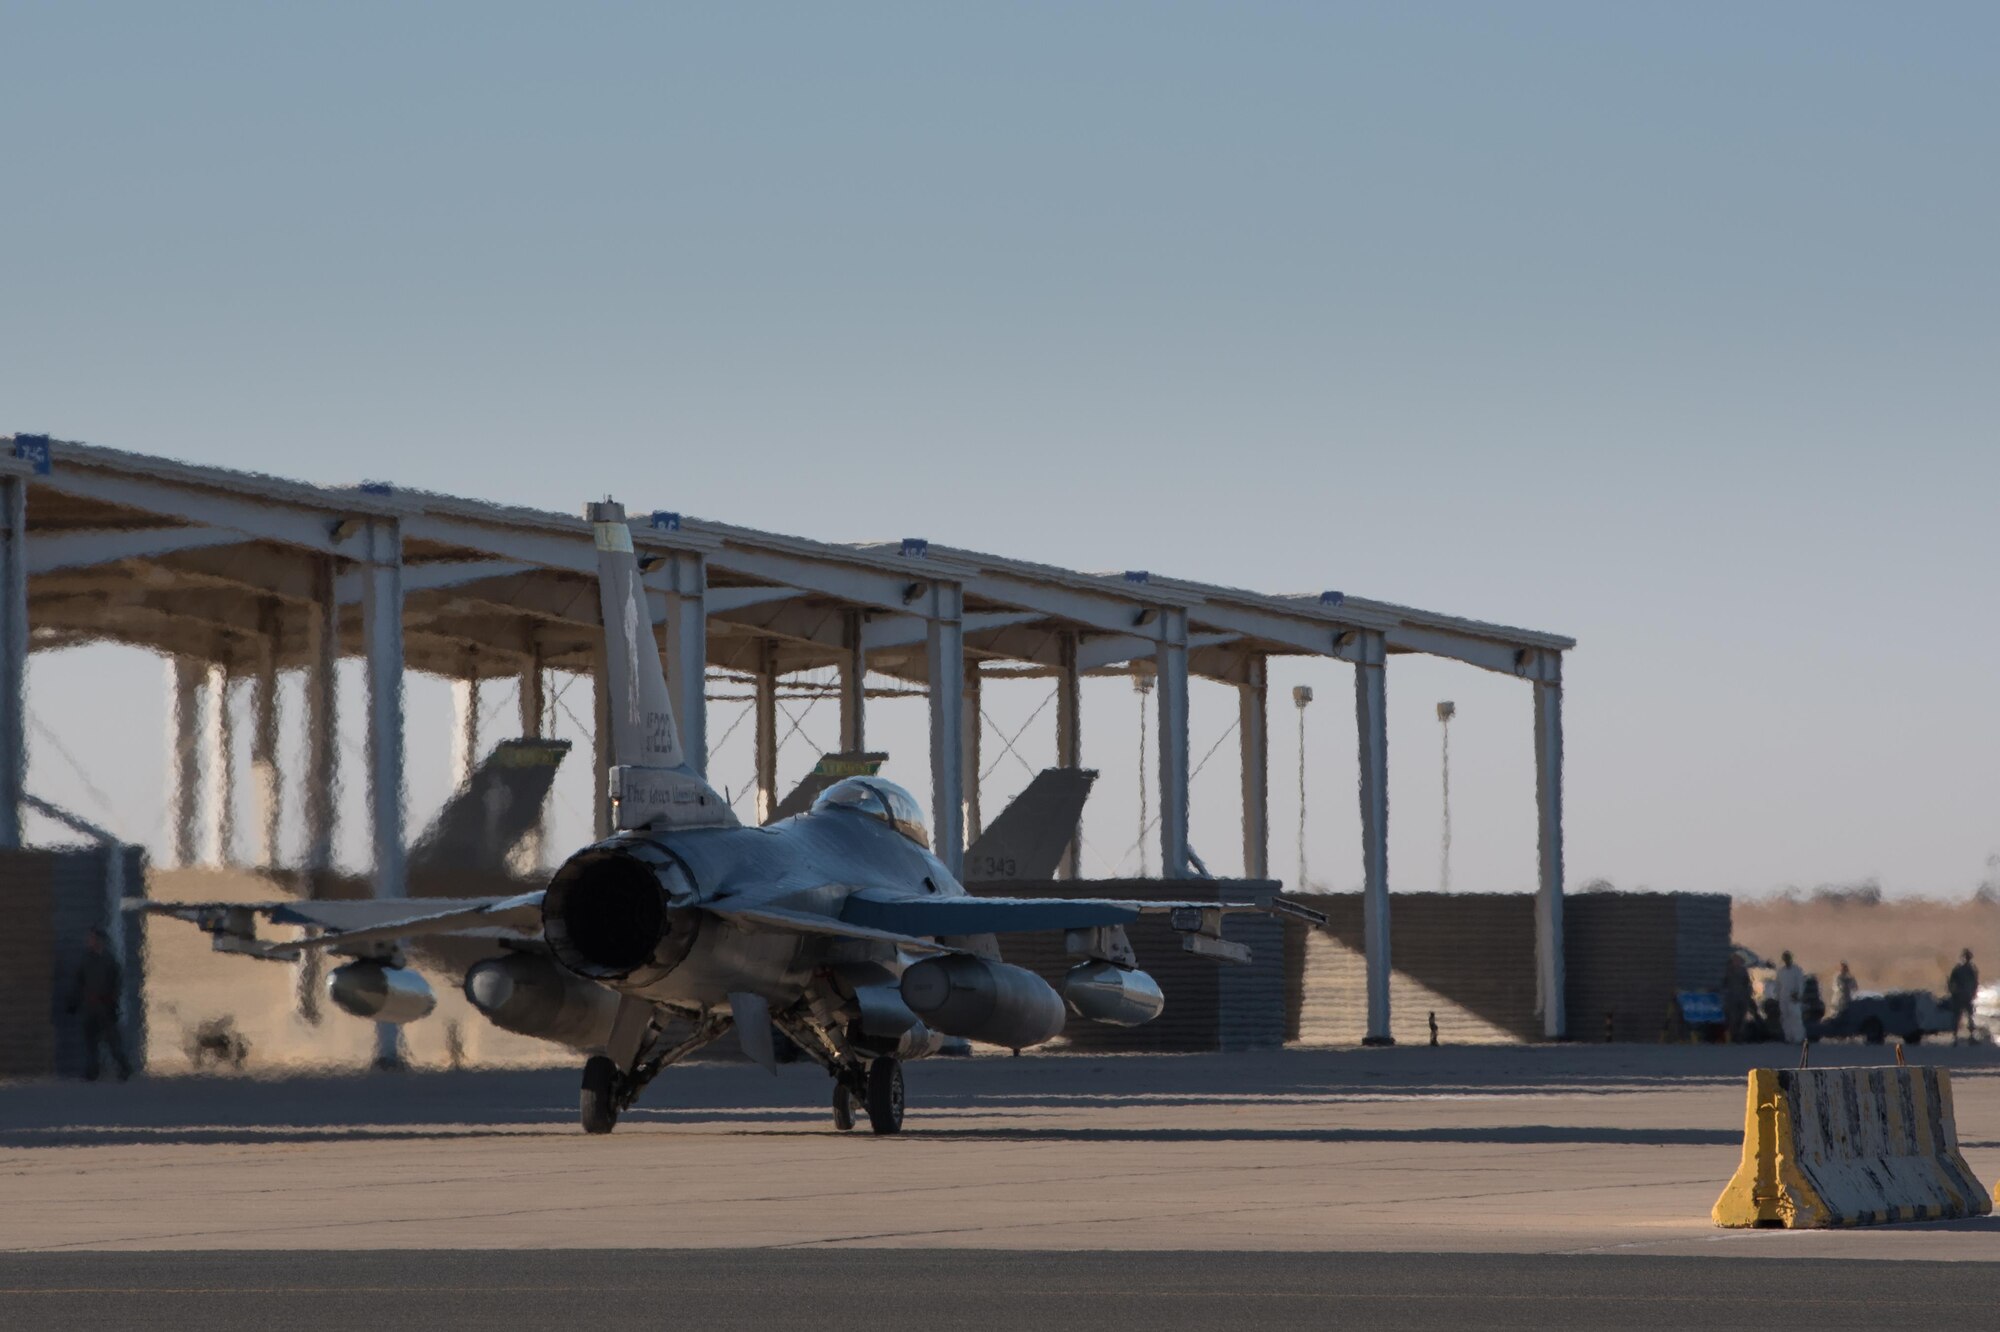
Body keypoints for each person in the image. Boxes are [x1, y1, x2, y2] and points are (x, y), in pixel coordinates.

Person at [67, 927, 132, 1082]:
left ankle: (124, 1067)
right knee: (90, 1041)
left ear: (100, 940)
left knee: (112, 1040)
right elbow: (78, 983)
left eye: (92, 938)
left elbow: (117, 983)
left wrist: (113, 1001)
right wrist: (73, 1002)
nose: (89, 941)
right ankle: (92, 1071)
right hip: (89, 1007)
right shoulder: (85, 960)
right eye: (89, 938)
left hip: (105, 1006)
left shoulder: (109, 960)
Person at [1947, 949, 1979, 1045]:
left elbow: (1974, 983)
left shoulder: (1963, 969)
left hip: (1963, 996)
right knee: (1964, 1016)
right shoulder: (1969, 970)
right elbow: (1975, 983)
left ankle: (1958, 1037)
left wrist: (1952, 991)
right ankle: (1959, 1037)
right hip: (1963, 995)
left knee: (1963, 1017)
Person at [1775, 950, 1807, 1045]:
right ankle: (1788, 1037)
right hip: (1783, 998)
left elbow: (1801, 983)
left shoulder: (1797, 970)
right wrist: (1777, 997)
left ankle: (1799, 1037)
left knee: (1796, 1017)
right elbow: (1778, 985)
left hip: (1794, 997)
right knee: (1785, 1018)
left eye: (1788, 958)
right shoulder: (1781, 971)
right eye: (1785, 958)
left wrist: (1799, 995)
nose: (1786, 960)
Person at [1721, 953, 1754, 1042]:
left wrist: (1749, 993)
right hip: (1732, 998)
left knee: (1741, 1018)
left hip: (1742, 997)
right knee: (1733, 1018)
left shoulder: (1743, 971)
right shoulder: (1728, 971)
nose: (1737, 962)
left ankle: (1740, 1036)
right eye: (1735, 960)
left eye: (1738, 960)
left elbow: (1747, 983)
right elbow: (1724, 984)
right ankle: (1733, 1036)